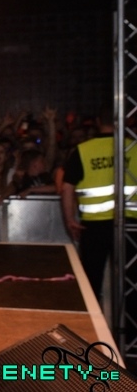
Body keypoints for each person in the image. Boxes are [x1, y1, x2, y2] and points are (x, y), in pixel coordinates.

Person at [61, 104, 137, 302]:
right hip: (130, 225)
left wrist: (70, 220)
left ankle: (92, 318)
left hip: (93, 226)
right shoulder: (134, 148)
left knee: (90, 283)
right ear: (123, 121)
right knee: (132, 283)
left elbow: (67, 188)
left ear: (97, 122)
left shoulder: (83, 150)